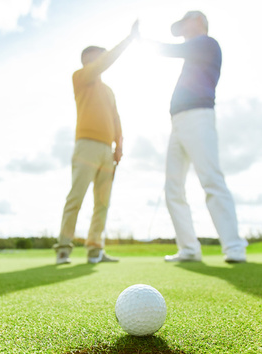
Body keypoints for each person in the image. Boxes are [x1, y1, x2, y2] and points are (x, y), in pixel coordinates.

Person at [152, 11, 248, 263]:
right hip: (178, 122)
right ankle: (189, 249)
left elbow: (170, 50)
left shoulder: (206, 43)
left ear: (198, 22)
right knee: (173, 188)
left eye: (184, 23)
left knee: (210, 178)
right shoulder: (195, 49)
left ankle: (234, 246)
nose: (182, 28)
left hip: (198, 116)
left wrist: (140, 41)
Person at [54, 21, 139, 265]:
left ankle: (94, 250)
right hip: (86, 146)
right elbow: (104, 62)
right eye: (97, 57)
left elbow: (116, 119)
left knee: (102, 204)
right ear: (86, 59)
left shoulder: (109, 91)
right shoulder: (80, 77)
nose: (102, 60)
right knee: (76, 197)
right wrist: (127, 40)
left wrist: (119, 147)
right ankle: (63, 248)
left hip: (107, 151)